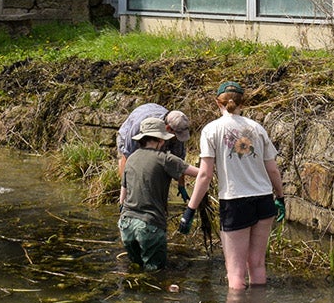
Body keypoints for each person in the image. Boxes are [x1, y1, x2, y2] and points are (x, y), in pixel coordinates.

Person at [180, 82, 284, 290]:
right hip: (264, 200)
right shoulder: (257, 128)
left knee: (235, 272)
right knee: (257, 264)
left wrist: (190, 210)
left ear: (217, 102)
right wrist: (280, 197)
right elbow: (272, 170)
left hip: (235, 201)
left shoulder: (211, 130)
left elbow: (204, 175)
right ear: (242, 102)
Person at [118, 116, 193, 272]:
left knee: (135, 270)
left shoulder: (131, 158)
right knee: (155, 275)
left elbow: (123, 193)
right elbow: (202, 174)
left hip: (126, 224)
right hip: (149, 226)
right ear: (161, 140)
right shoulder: (166, 159)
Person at [117, 103, 192, 179]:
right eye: (177, 135)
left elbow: (179, 163)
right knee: (134, 168)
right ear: (168, 128)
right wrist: (125, 188)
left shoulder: (177, 127)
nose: (178, 139)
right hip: (129, 133)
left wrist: (181, 185)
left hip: (159, 130)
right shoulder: (139, 127)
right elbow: (126, 157)